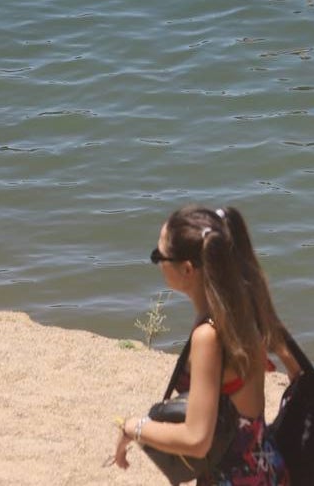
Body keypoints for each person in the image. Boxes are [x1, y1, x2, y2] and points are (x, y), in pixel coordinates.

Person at [112, 204, 295, 484]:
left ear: (187, 269)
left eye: (158, 256)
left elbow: (197, 439)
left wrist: (133, 428)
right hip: (265, 466)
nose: (159, 263)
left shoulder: (209, 336)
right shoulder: (247, 303)